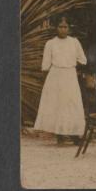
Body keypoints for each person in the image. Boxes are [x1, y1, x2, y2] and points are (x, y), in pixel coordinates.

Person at [34, 15, 87, 144]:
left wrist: (74, 68)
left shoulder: (74, 42)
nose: (63, 30)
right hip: (55, 76)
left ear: (69, 28)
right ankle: (60, 134)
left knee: (72, 104)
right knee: (58, 105)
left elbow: (83, 60)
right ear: (56, 28)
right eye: (60, 27)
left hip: (70, 76)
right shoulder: (50, 43)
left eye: (65, 27)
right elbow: (45, 65)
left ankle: (74, 134)